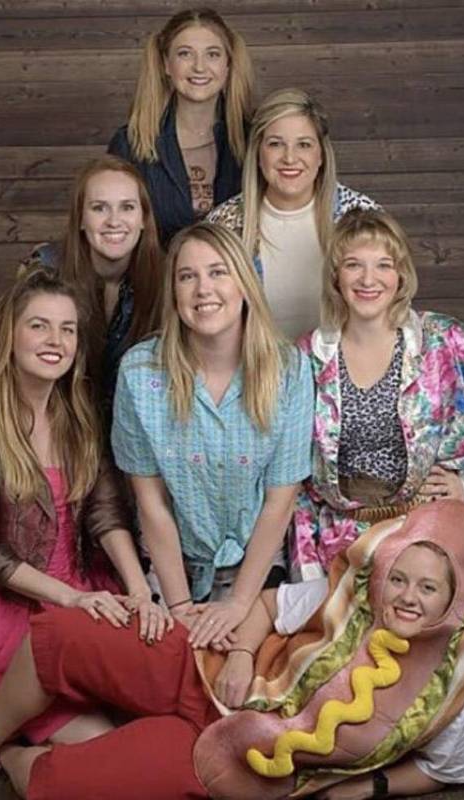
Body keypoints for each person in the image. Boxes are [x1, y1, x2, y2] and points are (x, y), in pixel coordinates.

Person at [0, 501, 464, 800]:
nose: (406, 597)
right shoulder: (345, 594)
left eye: (427, 588)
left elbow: (448, 770)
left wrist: (363, 788)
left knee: (61, 785)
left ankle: (11, 754)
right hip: (202, 667)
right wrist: (240, 656)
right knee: (64, 632)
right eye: (398, 579)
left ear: (455, 598)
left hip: (231, 759)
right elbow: (267, 605)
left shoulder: (456, 690)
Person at [0, 269, 169, 784]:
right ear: (9, 335)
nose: (56, 340)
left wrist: (140, 590)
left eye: (67, 329)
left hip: (82, 588)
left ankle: (17, 750)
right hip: (6, 603)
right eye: (39, 326)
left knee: (146, 718)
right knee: (102, 745)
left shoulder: (78, 420)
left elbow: (105, 514)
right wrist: (70, 599)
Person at [291, 208, 464, 580]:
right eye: (353, 265)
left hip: (428, 531)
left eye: (384, 265)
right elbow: (285, 464)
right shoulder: (309, 356)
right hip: (337, 541)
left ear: (401, 275)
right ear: (335, 276)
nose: (368, 279)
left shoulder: (441, 339)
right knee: (332, 619)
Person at [111, 220, 313, 651]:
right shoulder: (139, 373)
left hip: (258, 570)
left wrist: (239, 603)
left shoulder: (290, 370)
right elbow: (151, 503)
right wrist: (181, 607)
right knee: (172, 666)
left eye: (218, 272)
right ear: (174, 293)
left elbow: (279, 502)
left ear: (244, 284)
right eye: (187, 276)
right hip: (173, 569)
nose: (203, 289)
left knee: (249, 674)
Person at [208, 88, 377, 339]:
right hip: (255, 361)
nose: (289, 158)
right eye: (275, 144)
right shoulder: (224, 224)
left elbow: (390, 306)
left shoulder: (361, 217)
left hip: (342, 362)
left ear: (321, 155)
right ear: (258, 153)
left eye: (304, 145)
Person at [24, 155, 163, 422]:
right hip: (56, 421)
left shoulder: (168, 277)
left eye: (127, 207)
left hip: (138, 424)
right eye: (99, 208)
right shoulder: (46, 270)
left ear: (144, 218)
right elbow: (14, 362)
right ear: (80, 219)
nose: (114, 221)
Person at [108, 8, 253, 244]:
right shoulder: (129, 144)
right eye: (185, 54)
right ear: (166, 64)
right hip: (156, 268)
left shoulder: (255, 139)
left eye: (213, 54)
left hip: (237, 268)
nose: (199, 67)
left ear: (228, 64)